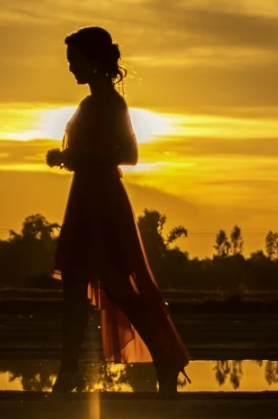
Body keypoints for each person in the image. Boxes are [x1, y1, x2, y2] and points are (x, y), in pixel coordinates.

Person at [46, 26, 190, 395]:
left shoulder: (112, 104)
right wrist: (66, 158)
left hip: (104, 200)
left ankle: (166, 357)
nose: (70, 69)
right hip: (83, 198)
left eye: (74, 61)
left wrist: (75, 156)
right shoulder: (89, 104)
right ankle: (67, 373)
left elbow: (130, 154)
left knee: (119, 287)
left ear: (94, 62)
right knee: (73, 290)